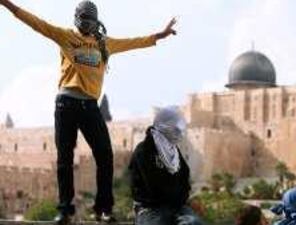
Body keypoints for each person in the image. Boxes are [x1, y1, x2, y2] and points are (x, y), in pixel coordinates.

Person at [0, 0, 177, 224]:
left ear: (95, 22)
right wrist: (7, 4)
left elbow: (132, 42)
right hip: (66, 104)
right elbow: (36, 23)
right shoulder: (65, 37)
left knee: (105, 155)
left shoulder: (104, 44)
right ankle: (65, 211)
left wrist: (158, 36)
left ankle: (103, 210)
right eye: (82, 21)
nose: (85, 25)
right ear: (77, 20)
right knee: (65, 158)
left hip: (90, 107)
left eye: (89, 21)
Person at [129, 106, 203, 225]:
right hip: (150, 208)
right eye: (174, 127)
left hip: (176, 206)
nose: (178, 131)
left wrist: (181, 200)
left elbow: (184, 178)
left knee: (193, 222)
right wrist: (174, 197)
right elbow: (151, 186)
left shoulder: (174, 151)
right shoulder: (144, 150)